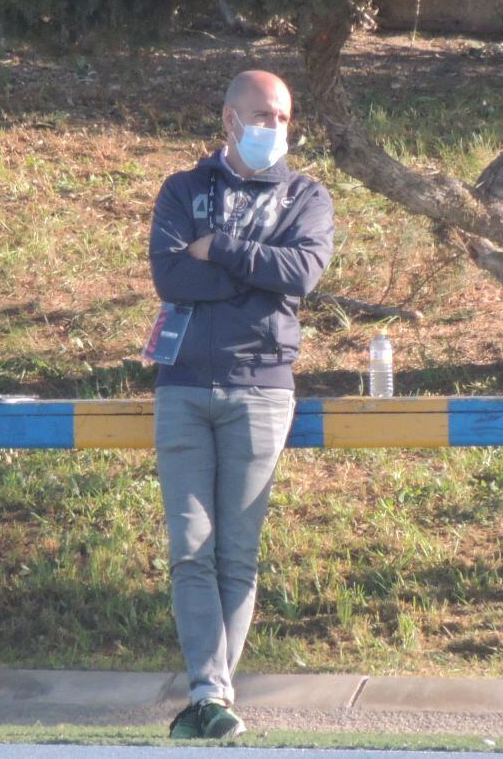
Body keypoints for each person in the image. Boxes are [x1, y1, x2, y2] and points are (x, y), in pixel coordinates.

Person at [148, 70, 335, 739]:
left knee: (237, 553)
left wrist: (221, 252)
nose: (273, 128)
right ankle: (211, 694)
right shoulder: (183, 190)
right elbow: (170, 275)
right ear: (228, 119)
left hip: (262, 388)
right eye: (261, 116)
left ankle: (210, 697)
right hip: (183, 387)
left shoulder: (306, 196)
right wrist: (254, 278)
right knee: (191, 549)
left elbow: (302, 274)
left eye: (283, 117)